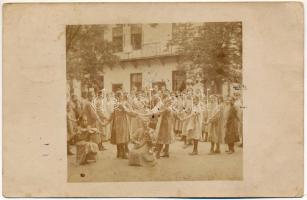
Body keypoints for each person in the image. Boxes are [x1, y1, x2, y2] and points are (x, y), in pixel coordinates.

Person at [110, 91, 139, 159]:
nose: (122, 97)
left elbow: (113, 113)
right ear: (118, 97)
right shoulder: (120, 104)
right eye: (121, 96)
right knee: (122, 138)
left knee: (119, 138)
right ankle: (123, 154)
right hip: (121, 123)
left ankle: (119, 153)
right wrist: (136, 114)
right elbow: (128, 111)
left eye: (122, 96)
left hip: (117, 123)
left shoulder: (115, 104)